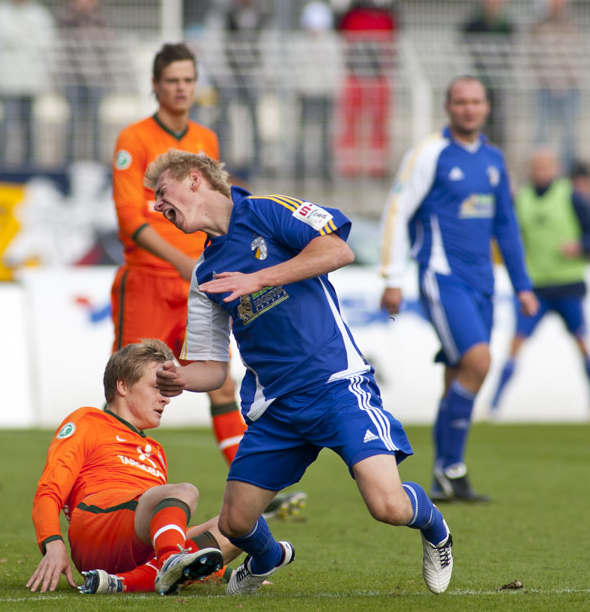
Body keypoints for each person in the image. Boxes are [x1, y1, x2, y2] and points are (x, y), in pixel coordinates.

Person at [144, 149, 454, 595]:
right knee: (235, 521)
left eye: (163, 193)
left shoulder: (268, 211)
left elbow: (338, 248)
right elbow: (212, 371)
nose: (158, 207)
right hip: (277, 410)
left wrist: (258, 278)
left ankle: (435, 526)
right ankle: (268, 556)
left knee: (387, 506)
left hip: (337, 387)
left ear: (195, 180)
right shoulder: (205, 275)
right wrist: (180, 378)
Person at [378, 76, 539, 502]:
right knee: (479, 361)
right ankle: (449, 468)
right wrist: (392, 277)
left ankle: (448, 475)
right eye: (461, 102)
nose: (469, 108)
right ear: (448, 108)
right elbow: (397, 210)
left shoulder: (493, 158)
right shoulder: (429, 154)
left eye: (476, 101)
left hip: (484, 283)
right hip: (442, 276)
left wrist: (522, 285)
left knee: (458, 377)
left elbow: (505, 224)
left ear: (487, 107)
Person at [110, 42, 249, 468]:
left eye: (188, 80)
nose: (181, 88)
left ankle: (252, 483)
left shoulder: (205, 139)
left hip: (199, 284)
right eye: (172, 80)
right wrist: (180, 261)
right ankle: (113, 478)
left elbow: (217, 209)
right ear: (155, 85)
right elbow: (130, 220)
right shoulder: (134, 139)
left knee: (222, 383)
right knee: (131, 385)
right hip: (150, 280)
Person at [26, 339, 235, 595]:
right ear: (123, 385)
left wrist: (222, 570)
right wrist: (53, 542)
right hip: (96, 529)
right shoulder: (88, 421)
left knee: (237, 525)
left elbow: (163, 527)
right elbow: (49, 490)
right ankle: (171, 559)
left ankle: (121, 583)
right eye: (158, 387)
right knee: (184, 492)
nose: (166, 399)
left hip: (134, 547)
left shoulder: (156, 451)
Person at [490, 147, 590, 420]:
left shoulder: (572, 197)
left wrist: (581, 246)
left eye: (546, 166)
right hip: (536, 288)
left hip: (568, 284)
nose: (541, 171)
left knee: (582, 342)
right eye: (537, 166)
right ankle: (494, 406)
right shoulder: (522, 199)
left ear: (555, 169)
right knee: (516, 343)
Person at [0, 0, 56, 166]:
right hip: (7, 80)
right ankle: (0, 165)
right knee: (5, 125)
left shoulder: (39, 13)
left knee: (29, 126)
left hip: (30, 81)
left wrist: (16, 39)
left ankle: (29, 164)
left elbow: (44, 42)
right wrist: (26, 37)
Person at [336, 0, 397, 177]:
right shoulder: (352, 10)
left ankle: (376, 165)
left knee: (378, 122)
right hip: (355, 74)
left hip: (378, 75)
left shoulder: (385, 11)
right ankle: (350, 164)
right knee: (352, 120)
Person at [56, 0, 112, 164]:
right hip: (73, 78)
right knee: (72, 123)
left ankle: (96, 162)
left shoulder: (101, 18)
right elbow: (66, 44)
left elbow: (105, 44)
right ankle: (68, 163)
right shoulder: (66, 18)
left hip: (95, 78)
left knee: (95, 123)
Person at [217, 0, 266, 178]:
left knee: (255, 121)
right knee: (224, 119)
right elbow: (218, 44)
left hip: (252, 75)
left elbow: (266, 45)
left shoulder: (262, 14)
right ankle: (222, 162)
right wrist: (222, 74)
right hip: (230, 75)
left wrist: (262, 73)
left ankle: (256, 164)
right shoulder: (224, 14)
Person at [530, 0, 585, 173]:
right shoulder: (540, 28)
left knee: (569, 135)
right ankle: (540, 171)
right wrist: (542, 78)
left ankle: (568, 173)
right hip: (545, 87)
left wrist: (573, 78)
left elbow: (579, 56)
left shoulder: (572, 28)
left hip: (569, 88)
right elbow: (532, 56)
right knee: (542, 134)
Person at [460, 0, 516, 149]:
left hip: (497, 80)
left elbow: (511, 46)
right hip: (480, 78)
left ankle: (496, 149)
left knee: (497, 118)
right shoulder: (475, 21)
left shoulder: (506, 23)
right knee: (477, 118)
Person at [292, 0, 340, 180]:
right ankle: (300, 167)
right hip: (305, 93)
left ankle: (325, 169)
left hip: (324, 93)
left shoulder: (331, 44)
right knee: (303, 133)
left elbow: (334, 70)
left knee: (326, 134)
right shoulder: (300, 44)